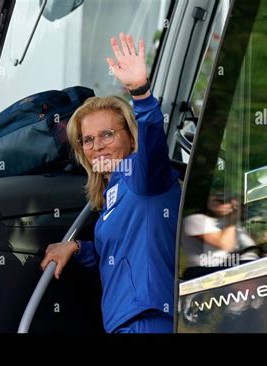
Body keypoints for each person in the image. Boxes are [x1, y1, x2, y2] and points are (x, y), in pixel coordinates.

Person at [40, 33, 181, 333]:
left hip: (149, 319)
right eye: (88, 140)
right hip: (122, 324)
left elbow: (154, 143)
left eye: (107, 135)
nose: (97, 146)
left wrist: (140, 93)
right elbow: (114, 251)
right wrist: (78, 248)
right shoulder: (112, 195)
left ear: (130, 136)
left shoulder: (141, 174)